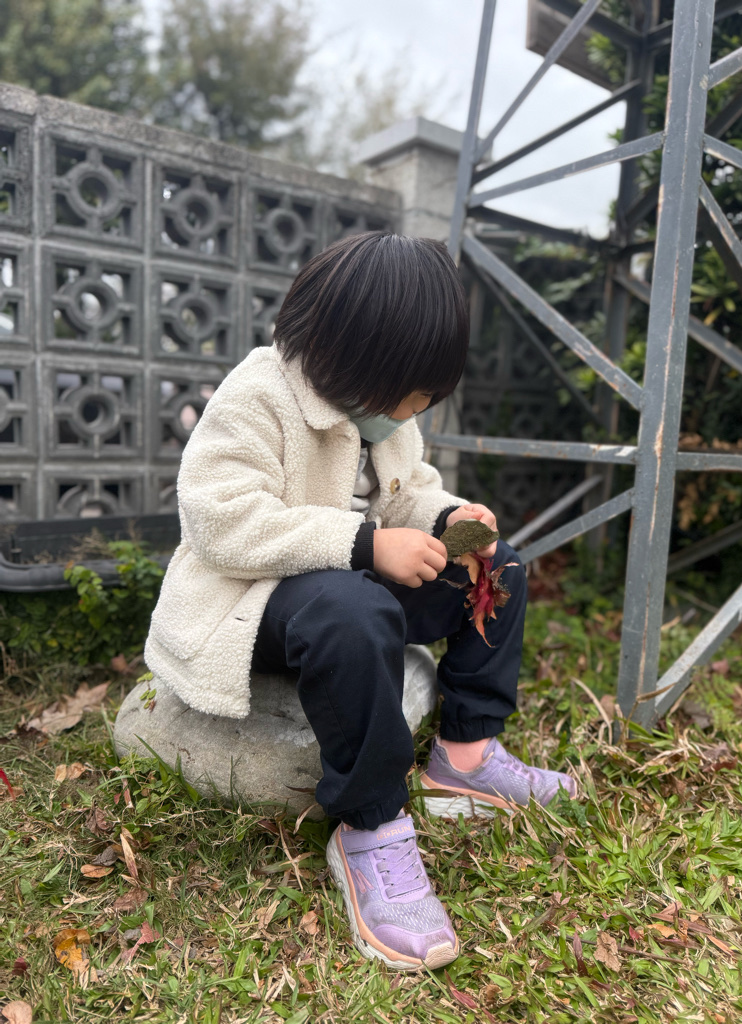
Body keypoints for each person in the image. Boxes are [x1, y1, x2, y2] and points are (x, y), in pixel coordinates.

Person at [145, 231, 576, 973]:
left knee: (496, 565)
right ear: (359, 357)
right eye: (413, 395)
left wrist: (448, 519)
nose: (416, 411)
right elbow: (222, 521)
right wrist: (366, 545)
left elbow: (408, 494)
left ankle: (466, 754)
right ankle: (371, 825)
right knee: (352, 610)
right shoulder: (259, 395)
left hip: (354, 586)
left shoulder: (384, 412)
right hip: (253, 602)